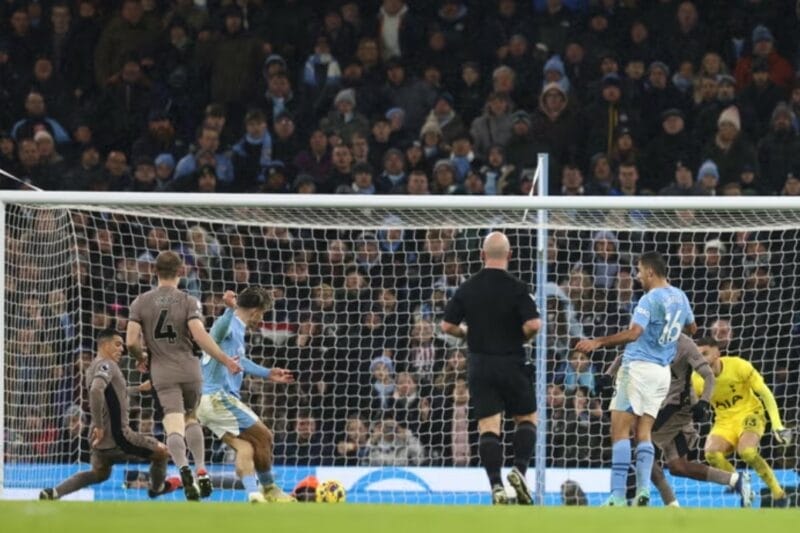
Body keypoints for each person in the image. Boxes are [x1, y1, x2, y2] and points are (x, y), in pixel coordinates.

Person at [577, 251, 697, 506]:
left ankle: (618, 496)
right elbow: (692, 328)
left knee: (619, 431)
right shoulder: (680, 296)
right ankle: (643, 491)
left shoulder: (649, 299)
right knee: (643, 433)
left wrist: (598, 342)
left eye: (640, 271)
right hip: (661, 374)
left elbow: (634, 334)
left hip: (638, 368)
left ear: (651, 272)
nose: (637, 275)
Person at [126, 250, 241, 500]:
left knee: (173, 426)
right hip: (190, 369)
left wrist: (140, 358)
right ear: (181, 272)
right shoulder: (189, 301)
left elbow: (131, 340)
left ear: (155, 272)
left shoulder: (140, 302)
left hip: (162, 372)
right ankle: (201, 467)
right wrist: (225, 360)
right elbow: (200, 336)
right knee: (192, 420)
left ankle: (183, 468)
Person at [440, 232, 541, 505]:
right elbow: (534, 325)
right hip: (511, 361)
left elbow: (447, 326)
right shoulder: (518, 287)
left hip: (480, 364)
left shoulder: (468, 287)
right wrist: (520, 337)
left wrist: (467, 335)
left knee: (489, 427)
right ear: (509, 255)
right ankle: (519, 471)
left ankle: (496, 485)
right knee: (527, 418)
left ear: (481, 255)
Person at [608, 334, 752, 507]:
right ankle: (735, 480)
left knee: (639, 439)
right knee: (678, 466)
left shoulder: (685, 344)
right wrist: (608, 375)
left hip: (678, 407)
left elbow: (708, 375)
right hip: (659, 405)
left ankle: (659, 500)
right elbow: (624, 356)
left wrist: (704, 402)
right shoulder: (649, 335)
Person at [40, 330, 180, 500]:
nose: (122, 349)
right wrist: (99, 426)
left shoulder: (92, 368)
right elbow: (96, 390)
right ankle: (157, 489)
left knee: (99, 474)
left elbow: (110, 394)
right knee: (162, 452)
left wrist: (138, 389)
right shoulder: (107, 365)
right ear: (105, 345)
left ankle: (54, 492)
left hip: (99, 442)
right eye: (118, 344)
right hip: (118, 436)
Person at [196, 288, 295, 503]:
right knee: (265, 437)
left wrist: (268, 373)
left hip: (206, 403)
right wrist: (229, 310)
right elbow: (213, 336)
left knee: (245, 447)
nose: (261, 319)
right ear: (256, 310)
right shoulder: (230, 324)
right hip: (218, 397)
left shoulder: (238, 330)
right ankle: (269, 489)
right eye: (263, 313)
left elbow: (240, 361)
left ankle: (253, 494)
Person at [694, 337, 793, 506]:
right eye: (697, 356)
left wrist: (777, 425)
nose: (701, 360)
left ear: (717, 353)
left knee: (746, 451)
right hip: (724, 421)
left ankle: (778, 493)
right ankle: (739, 482)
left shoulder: (738, 366)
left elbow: (765, 394)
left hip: (750, 413)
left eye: (705, 354)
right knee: (711, 454)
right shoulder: (696, 380)